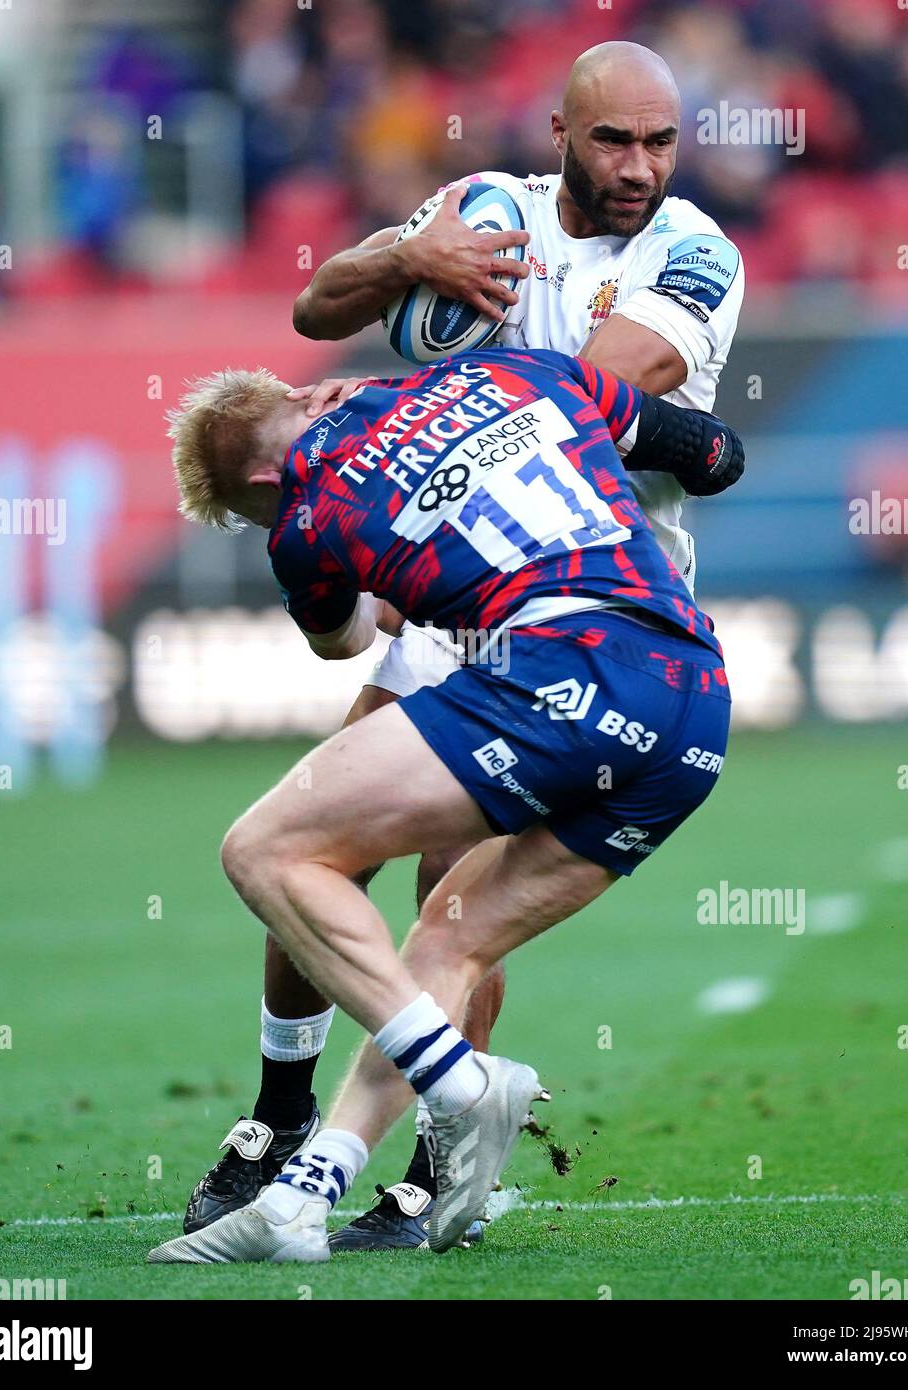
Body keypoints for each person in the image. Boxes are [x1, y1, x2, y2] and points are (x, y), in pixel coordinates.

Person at [186, 39, 746, 1252]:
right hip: (444, 576)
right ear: (558, 131)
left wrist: (436, 404)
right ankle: (281, 1115)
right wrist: (407, 256)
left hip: (581, 587)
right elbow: (312, 307)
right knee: (323, 844)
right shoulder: (481, 213)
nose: (639, 166)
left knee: (451, 888)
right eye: (612, 141)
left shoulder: (694, 252)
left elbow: (587, 392)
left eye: (658, 142)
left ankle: (442, 1164)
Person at [148, 344, 733, 1264]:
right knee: (445, 937)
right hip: (690, 703)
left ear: (263, 478)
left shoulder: (303, 519)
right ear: (302, 396)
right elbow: (710, 453)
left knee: (267, 849)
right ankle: (308, 1193)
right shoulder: (527, 370)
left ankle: (460, 1088)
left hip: (561, 664)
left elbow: (343, 642)